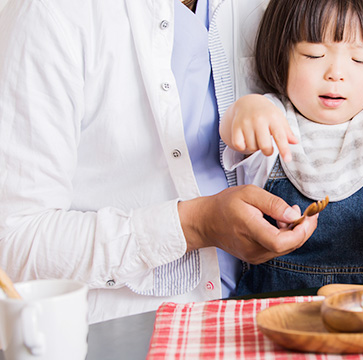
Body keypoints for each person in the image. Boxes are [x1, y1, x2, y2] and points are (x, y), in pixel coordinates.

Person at [0, 0, 319, 324]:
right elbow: (13, 245)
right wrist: (195, 225)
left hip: (258, 316)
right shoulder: (48, 13)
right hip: (118, 332)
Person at [220, 0, 363, 295]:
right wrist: (246, 108)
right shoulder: (272, 117)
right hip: (277, 308)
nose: (336, 73)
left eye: (359, 59)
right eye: (313, 54)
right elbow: (235, 131)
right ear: (281, 55)